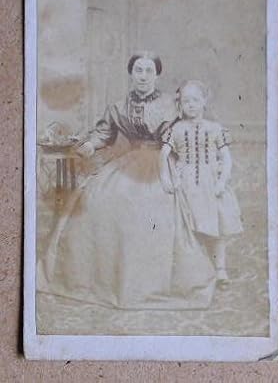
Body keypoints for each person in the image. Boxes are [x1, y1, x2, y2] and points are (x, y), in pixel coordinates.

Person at [37, 55, 216, 309]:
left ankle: (151, 282)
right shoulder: (118, 105)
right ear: (131, 73)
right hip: (129, 162)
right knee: (97, 198)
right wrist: (90, 144)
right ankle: (100, 278)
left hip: (162, 163)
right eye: (138, 70)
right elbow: (104, 133)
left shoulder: (171, 104)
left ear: (157, 75)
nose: (143, 75)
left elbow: (186, 133)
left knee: (147, 205)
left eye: (148, 70)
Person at [160, 80, 243, 287]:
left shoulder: (215, 128)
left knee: (218, 226)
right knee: (192, 227)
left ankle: (220, 269)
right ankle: (197, 270)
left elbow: (227, 158)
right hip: (187, 184)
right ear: (180, 104)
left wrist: (222, 181)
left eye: (196, 100)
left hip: (211, 183)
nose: (191, 105)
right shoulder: (176, 129)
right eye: (186, 101)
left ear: (204, 101)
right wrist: (167, 177)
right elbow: (164, 154)